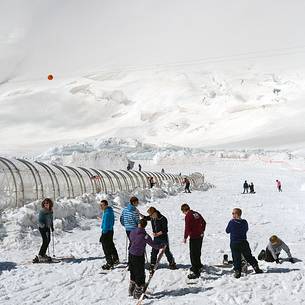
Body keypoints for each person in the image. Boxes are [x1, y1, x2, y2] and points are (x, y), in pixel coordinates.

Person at [128, 219, 164, 299]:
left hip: (131, 253)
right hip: (138, 256)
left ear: (138, 224)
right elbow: (153, 245)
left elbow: (131, 238)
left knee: (133, 271)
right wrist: (161, 246)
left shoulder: (133, 231)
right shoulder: (145, 235)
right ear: (145, 226)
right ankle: (137, 293)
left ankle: (131, 289)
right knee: (140, 273)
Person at [226, 208, 263, 278]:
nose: (232, 214)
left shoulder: (232, 222)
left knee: (236, 257)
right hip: (244, 242)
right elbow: (246, 229)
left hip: (234, 243)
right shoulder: (244, 222)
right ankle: (256, 267)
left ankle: (238, 272)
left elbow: (227, 230)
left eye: (233, 213)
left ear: (237, 214)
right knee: (248, 256)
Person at [144, 207, 176, 272]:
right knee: (154, 251)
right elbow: (145, 218)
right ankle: (153, 263)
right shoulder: (152, 217)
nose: (151, 217)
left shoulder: (163, 219)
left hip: (163, 237)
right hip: (156, 238)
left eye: (152, 215)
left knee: (166, 251)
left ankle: (172, 263)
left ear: (155, 213)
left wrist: (158, 233)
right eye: (150, 216)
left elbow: (165, 230)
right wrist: (138, 213)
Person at [181, 203, 206, 279]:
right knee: (198, 251)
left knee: (193, 254)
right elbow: (204, 222)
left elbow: (187, 227)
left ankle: (195, 271)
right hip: (200, 236)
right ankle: (199, 265)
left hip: (194, 237)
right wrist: (202, 231)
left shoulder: (188, 216)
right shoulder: (196, 213)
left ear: (184, 211)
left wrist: (185, 237)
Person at [99, 200, 119, 270]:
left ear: (106, 205)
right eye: (100, 205)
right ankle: (115, 258)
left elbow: (106, 225)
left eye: (102, 205)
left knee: (106, 248)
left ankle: (109, 263)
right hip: (110, 231)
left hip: (106, 232)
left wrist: (103, 234)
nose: (101, 206)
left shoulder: (107, 213)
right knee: (111, 245)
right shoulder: (109, 211)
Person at [34, 198, 54, 263]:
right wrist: (43, 225)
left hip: (47, 227)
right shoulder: (42, 211)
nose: (46, 204)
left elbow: (51, 219)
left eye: (47, 203)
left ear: (50, 204)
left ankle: (43, 254)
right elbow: (40, 220)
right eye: (45, 203)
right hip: (42, 228)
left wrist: (52, 226)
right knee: (45, 240)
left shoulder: (50, 211)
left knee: (48, 240)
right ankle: (40, 254)